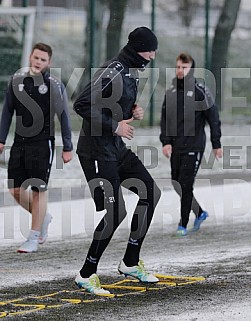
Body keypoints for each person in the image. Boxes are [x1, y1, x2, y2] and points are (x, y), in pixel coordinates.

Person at [73, 26, 161, 295]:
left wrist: (130, 111)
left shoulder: (131, 70)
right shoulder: (113, 70)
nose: (153, 56)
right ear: (137, 49)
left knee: (150, 192)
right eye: (150, 50)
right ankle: (86, 274)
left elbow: (110, 105)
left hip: (115, 148)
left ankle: (130, 262)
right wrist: (115, 126)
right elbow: (81, 104)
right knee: (115, 213)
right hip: (96, 151)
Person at [0, 43, 73, 252]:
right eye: (36, 58)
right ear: (30, 58)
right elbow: (7, 112)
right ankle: (42, 217)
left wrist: (68, 146)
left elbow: (64, 117)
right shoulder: (17, 82)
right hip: (19, 143)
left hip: (42, 144)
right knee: (14, 188)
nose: (38, 62)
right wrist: (1, 139)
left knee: (37, 189)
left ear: (49, 62)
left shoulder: (54, 85)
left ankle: (33, 237)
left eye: (43, 59)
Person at [160, 52, 222, 237]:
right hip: (176, 146)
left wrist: (216, 144)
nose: (180, 70)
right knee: (176, 183)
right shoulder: (170, 91)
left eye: (184, 67)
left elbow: (214, 118)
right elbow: (165, 120)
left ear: (191, 69)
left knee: (186, 185)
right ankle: (200, 212)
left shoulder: (200, 90)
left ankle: (183, 225)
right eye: (178, 67)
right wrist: (166, 142)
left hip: (194, 146)